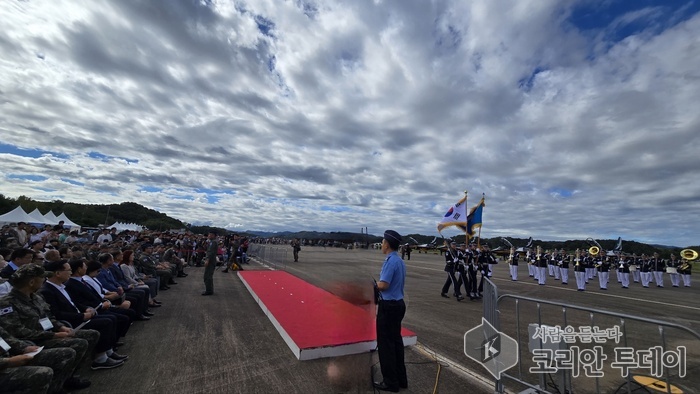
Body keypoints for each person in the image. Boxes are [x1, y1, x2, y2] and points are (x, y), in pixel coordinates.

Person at [372, 230, 407, 393]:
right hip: (398, 304)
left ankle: (390, 382)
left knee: (386, 345)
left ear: (387, 244)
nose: (382, 244)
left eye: (383, 241)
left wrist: (373, 285)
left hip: (389, 307)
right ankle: (400, 379)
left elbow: (384, 285)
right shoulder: (399, 261)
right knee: (396, 343)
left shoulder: (390, 261)